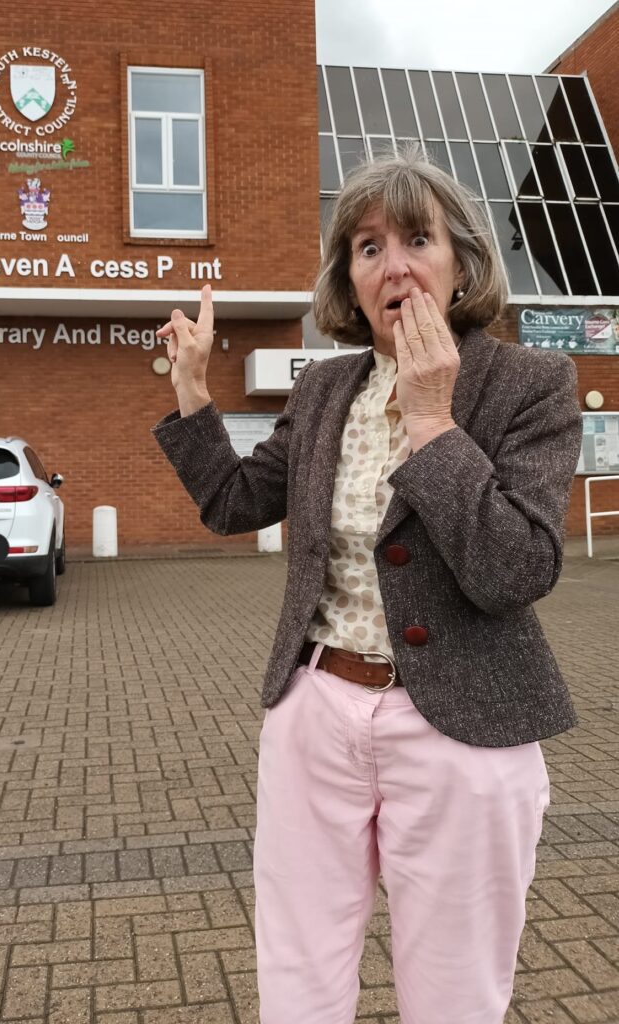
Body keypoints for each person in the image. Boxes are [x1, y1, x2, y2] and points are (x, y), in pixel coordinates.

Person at [151, 150, 583, 1024]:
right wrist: (193, 392)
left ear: (460, 263)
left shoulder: (527, 386)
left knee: (455, 984)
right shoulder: (326, 390)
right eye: (366, 246)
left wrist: (430, 419)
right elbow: (235, 504)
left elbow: (516, 571)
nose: (393, 264)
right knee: (298, 964)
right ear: (347, 281)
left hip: (466, 724)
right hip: (316, 708)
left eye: (416, 239)